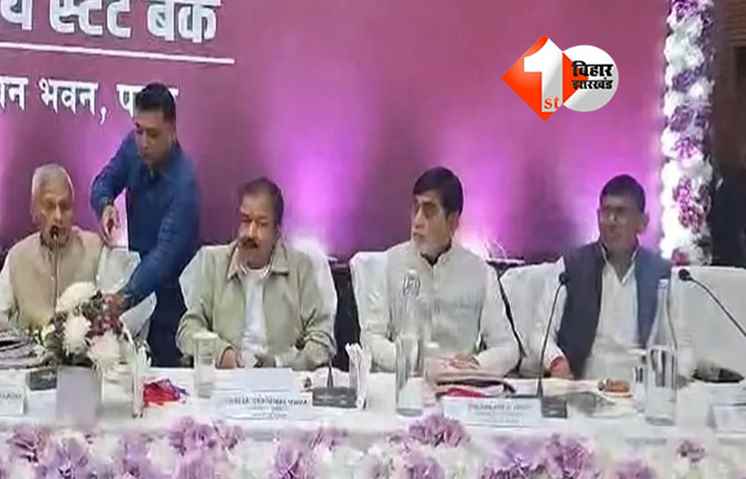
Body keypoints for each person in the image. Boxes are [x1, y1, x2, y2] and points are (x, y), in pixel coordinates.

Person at [532, 174, 694, 380]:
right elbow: (539, 334)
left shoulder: (661, 274)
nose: (611, 222)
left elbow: (685, 349)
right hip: (582, 387)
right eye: (605, 212)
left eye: (621, 213)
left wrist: (675, 377)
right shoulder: (570, 267)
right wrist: (556, 362)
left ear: (642, 222)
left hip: (641, 389)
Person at [362, 167, 519, 374]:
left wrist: (477, 364)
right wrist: (413, 362)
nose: (417, 221)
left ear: (452, 222)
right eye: (415, 208)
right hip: (406, 380)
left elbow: (508, 347)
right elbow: (371, 338)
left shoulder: (480, 273)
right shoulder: (390, 264)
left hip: (458, 382)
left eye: (428, 211)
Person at [90, 83, 200, 367]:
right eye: (138, 130)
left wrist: (123, 298)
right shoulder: (133, 147)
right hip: (135, 291)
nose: (143, 142)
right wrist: (105, 204)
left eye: (153, 134)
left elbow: (164, 257)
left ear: (172, 132)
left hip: (172, 301)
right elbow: (103, 181)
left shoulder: (184, 184)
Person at [176, 178, 335, 371]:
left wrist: (280, 363)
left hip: (282, 380)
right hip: (227, 378)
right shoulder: (215, 263)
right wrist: (221, 353)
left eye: (261, 224)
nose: (250, 233)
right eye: (245, 221)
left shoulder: (300, 268)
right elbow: (188, 330)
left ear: (277, 232)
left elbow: (323, 340)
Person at [0, 164, 144, 333]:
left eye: (65, 206)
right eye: (49, 206)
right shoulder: (17, 257)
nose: (58, 216)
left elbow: (124, 310)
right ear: (34, 210)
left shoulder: (95, 249)